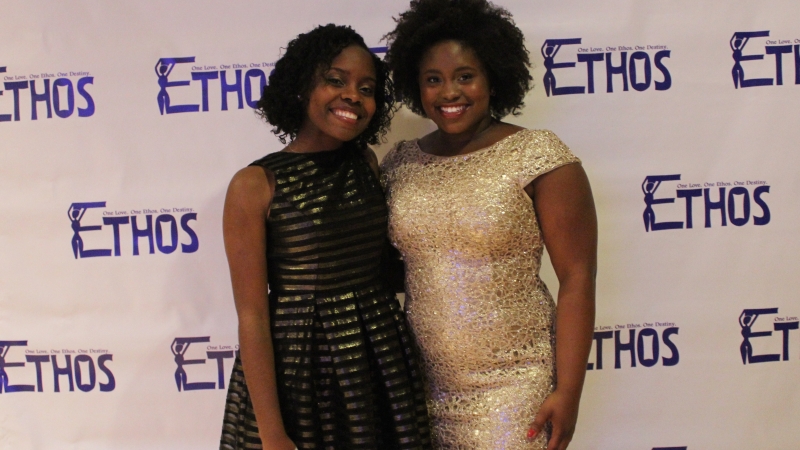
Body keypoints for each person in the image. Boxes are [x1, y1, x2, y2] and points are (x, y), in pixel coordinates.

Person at [382, 1, 597, 449]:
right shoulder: (399, 163)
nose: (449, 93)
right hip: (419, 389)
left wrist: (569, 392)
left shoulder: (539, 156)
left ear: (493, 77)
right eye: (433, 79)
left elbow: (577, 279)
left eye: (465, 76)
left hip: (515, 388)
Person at [219, 24, 430, 450]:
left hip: (379, 365)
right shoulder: (255, 184)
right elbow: (253, 318)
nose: (353, 95)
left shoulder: (368, 163)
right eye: (336, 80)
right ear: (302, 86)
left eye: (366, 87)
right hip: (301, 372)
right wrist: (272, 433)